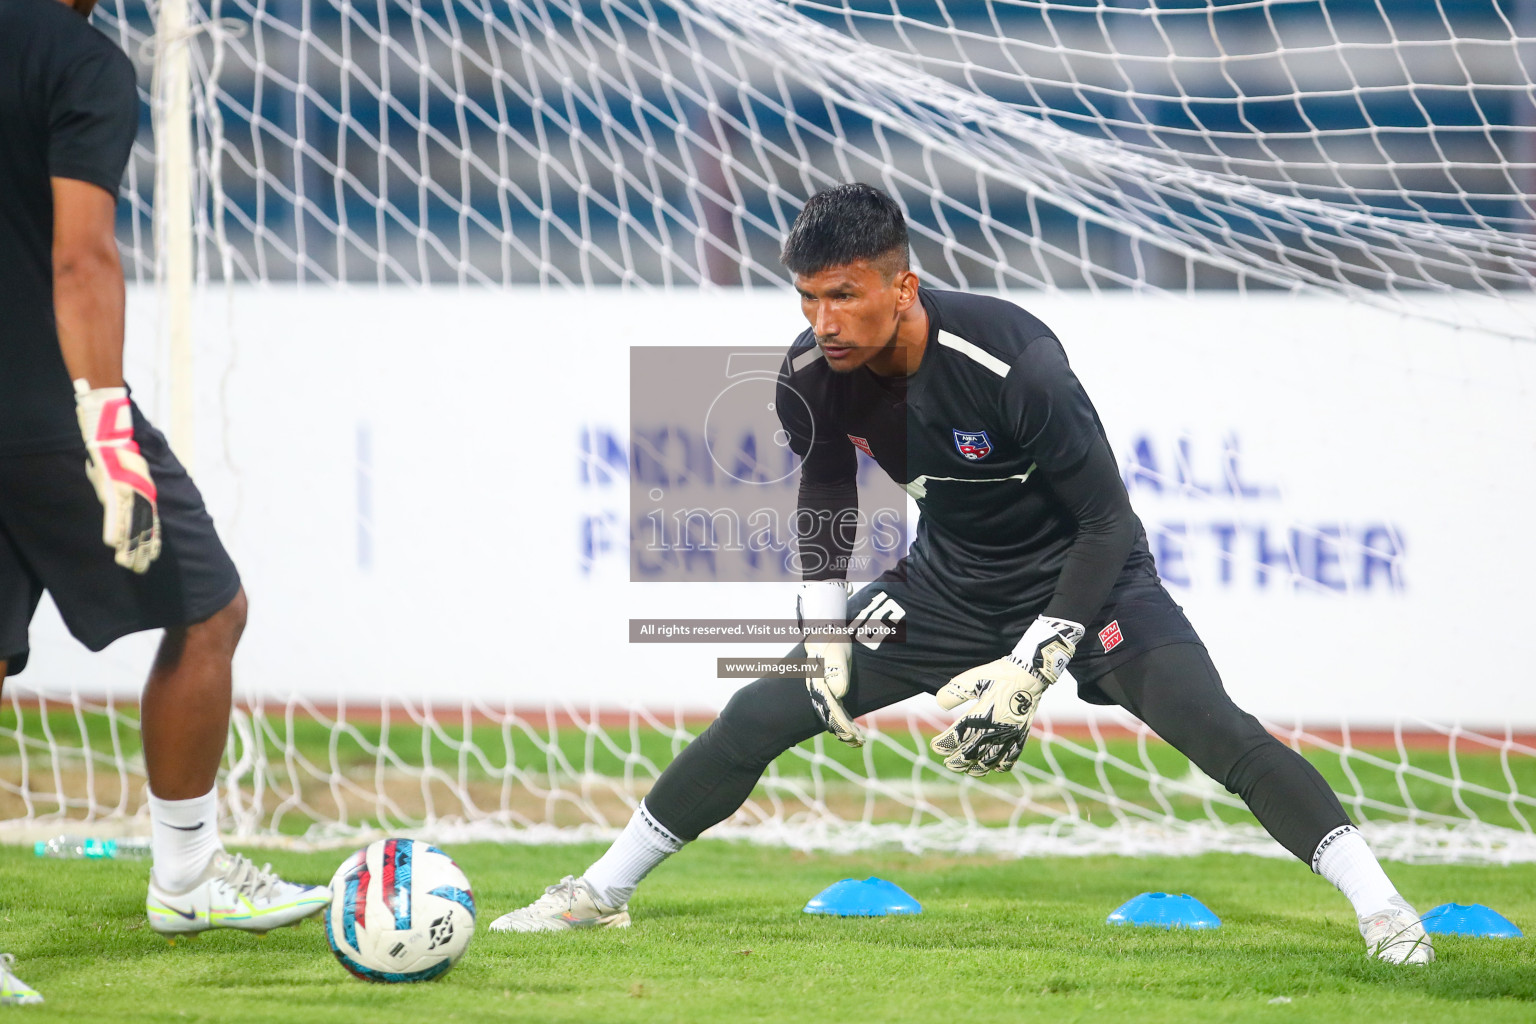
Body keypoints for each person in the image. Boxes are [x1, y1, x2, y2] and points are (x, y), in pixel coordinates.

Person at [489, 183, 1433, 965]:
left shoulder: (1013, 362)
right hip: (946, 584)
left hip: (1092, 580)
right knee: (764, 709)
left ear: (903, 287)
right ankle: (598, 894)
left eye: (845, 296)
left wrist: (1034, 664)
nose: (825, 321)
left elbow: (1107, 521)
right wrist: (822, 634)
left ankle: (1384, 910)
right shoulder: (812, 373)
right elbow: (827, 497)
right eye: (809, 299)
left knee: (1215, 729)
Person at [0, 0, 329, 948]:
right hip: (42, 403)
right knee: (210, 611)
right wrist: (105, 426)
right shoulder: (79, 61)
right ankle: (187, 874)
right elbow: (81, 256)